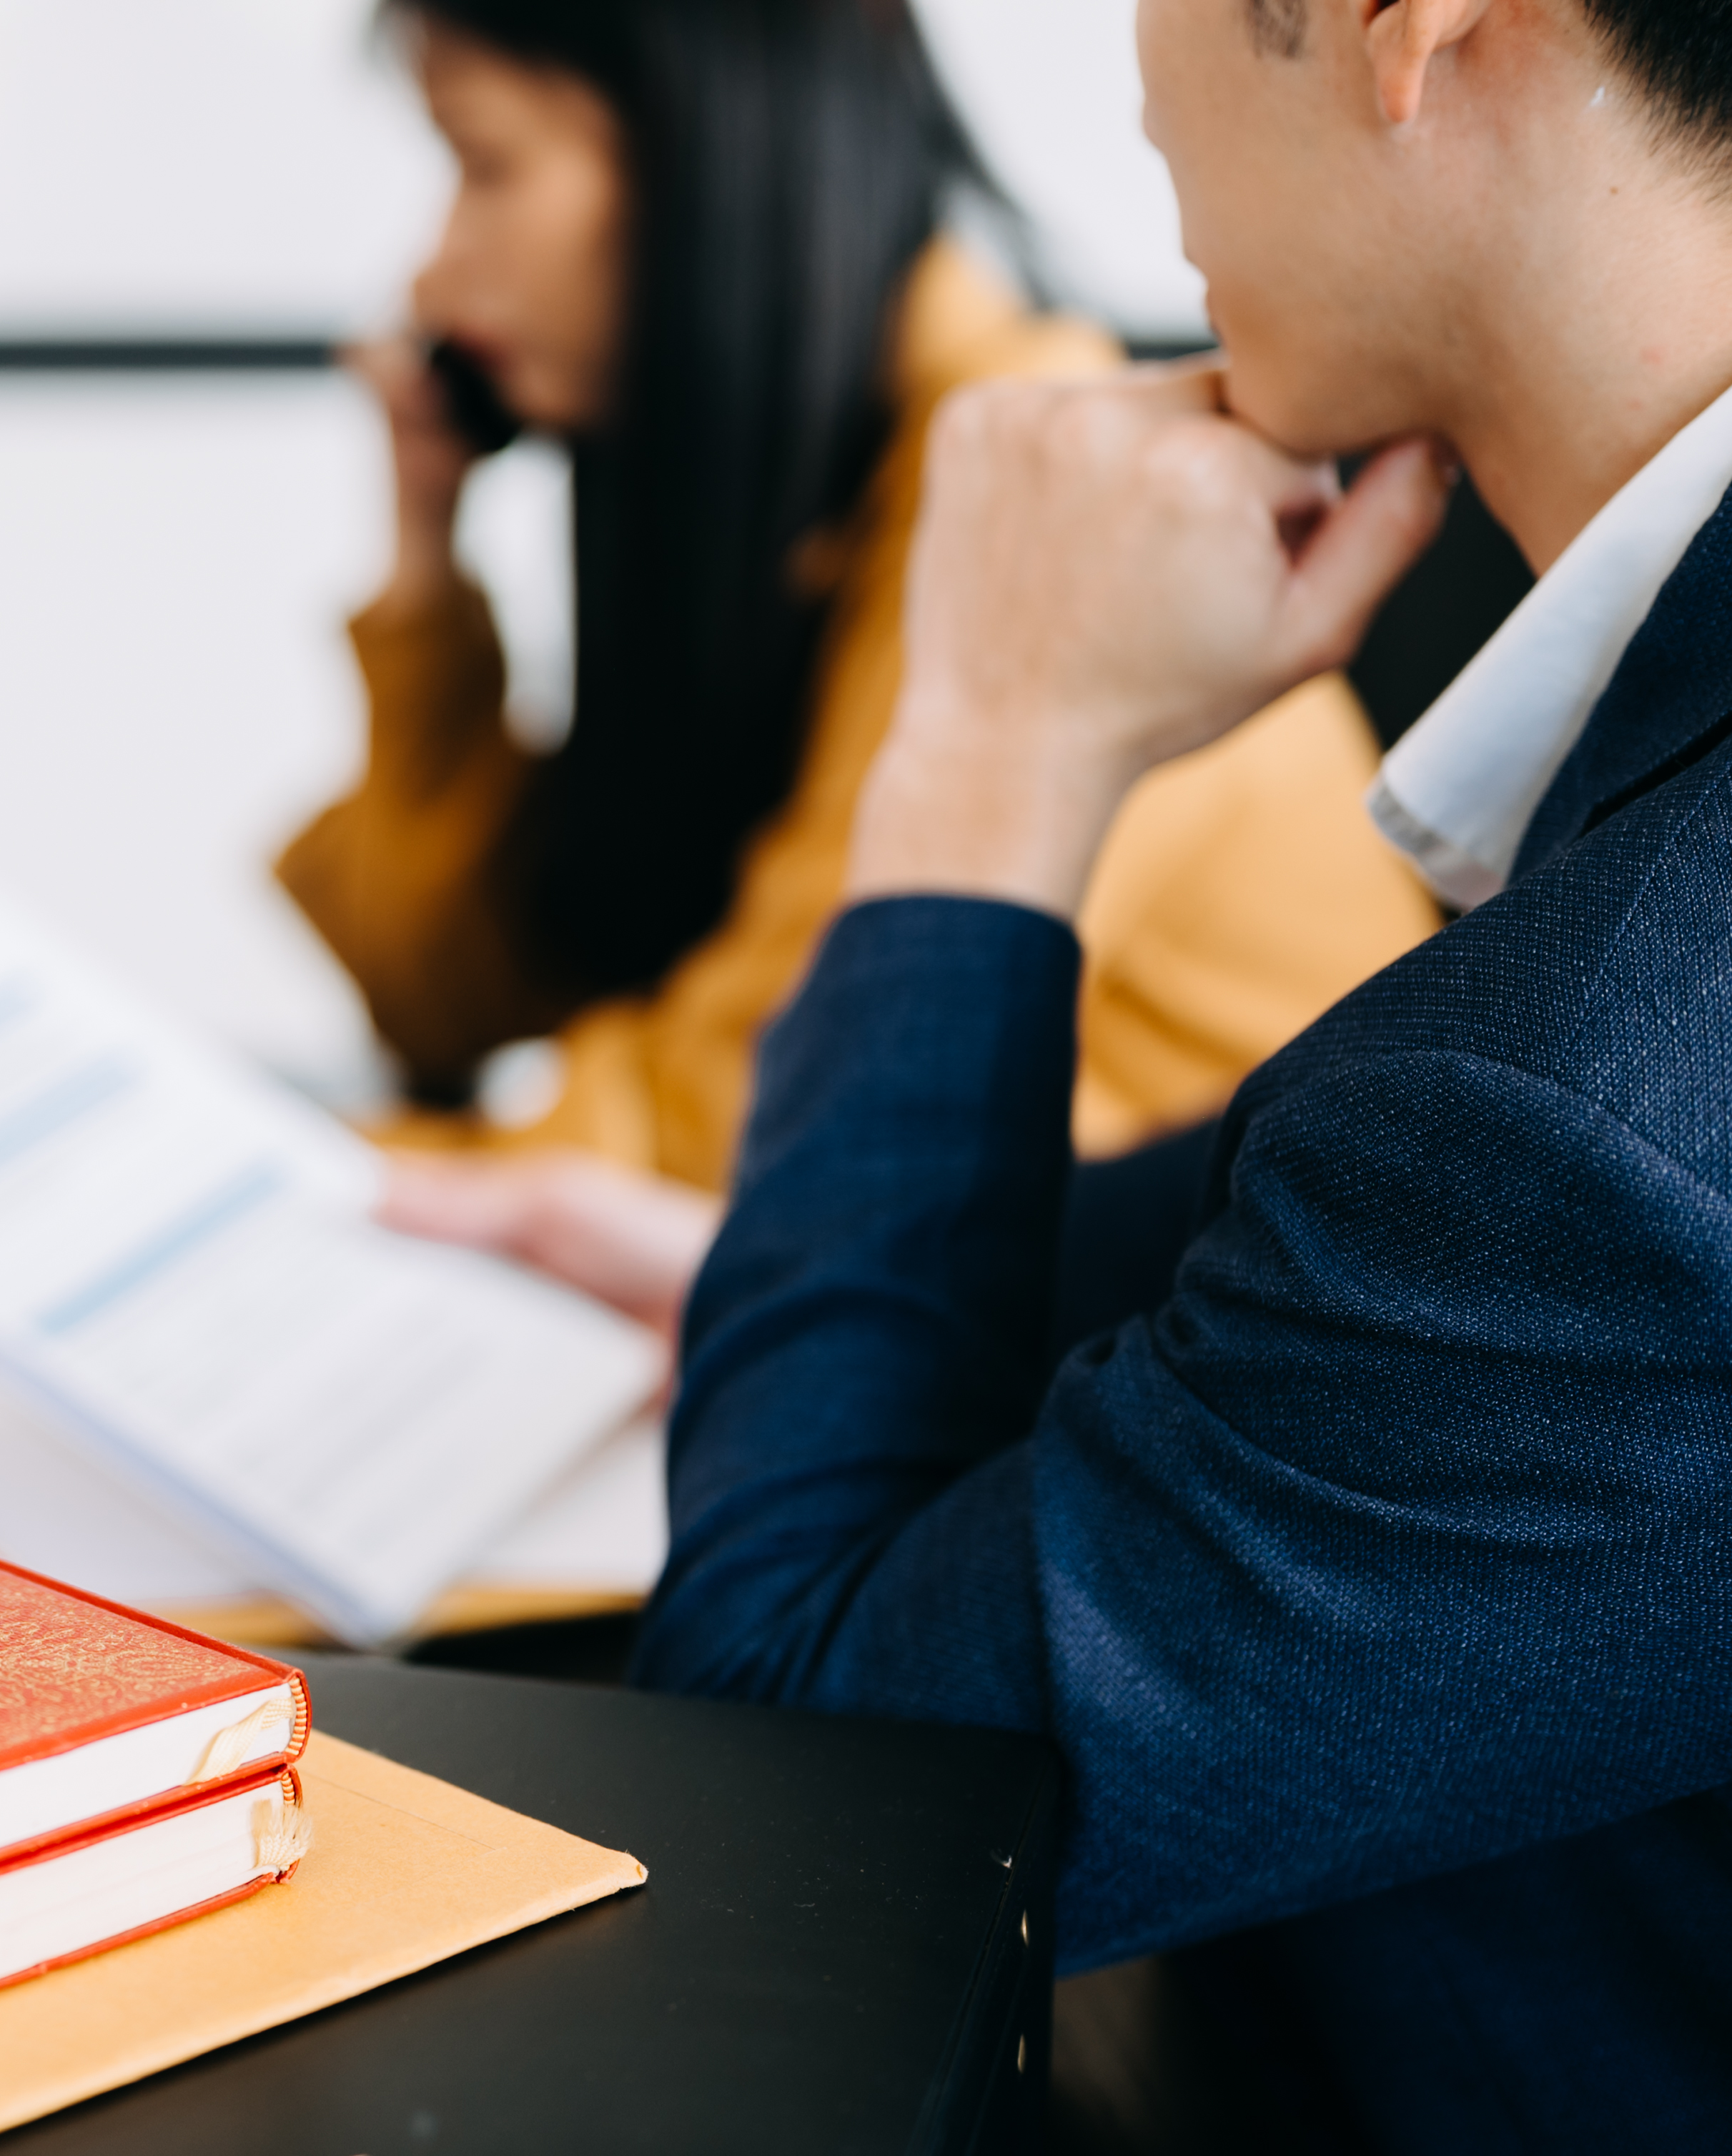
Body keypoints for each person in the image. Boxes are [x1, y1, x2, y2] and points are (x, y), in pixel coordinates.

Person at [410, 0, 1732, 2134]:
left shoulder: (1605, 1117)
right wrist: (749, 1268)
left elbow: (810, 1826)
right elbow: (1335, 1252)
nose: (1125, 77)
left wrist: (993, 758)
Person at [282, 0, 1441, 1288]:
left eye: (485, 164)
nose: (433, 276)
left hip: (1233, 1373)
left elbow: (744, 1128)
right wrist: (426, 551)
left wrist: (285, 1183)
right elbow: (445, 990)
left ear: (706, 153)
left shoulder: (1050, 483)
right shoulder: (773, 495)